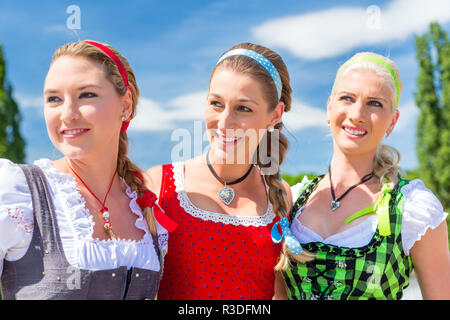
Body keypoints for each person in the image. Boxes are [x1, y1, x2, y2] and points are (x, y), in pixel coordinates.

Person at [0, 40, 170, 300]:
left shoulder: (148, 211)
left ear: (126, 106)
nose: (67, 114)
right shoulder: (17, 193)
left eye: (86, 95)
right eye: (54, 99)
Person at [274, 52, 450, 300]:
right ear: (329, 107)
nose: (357, 114)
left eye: (375, 103)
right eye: (347, 98)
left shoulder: (413, 209)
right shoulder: (291, 201)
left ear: (393, 121)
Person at [146, 42, 311, 300]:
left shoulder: (280, 197)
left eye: (243, 108)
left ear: (275, 115)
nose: (224, 122)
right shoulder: (159, 185)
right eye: (216, 103)